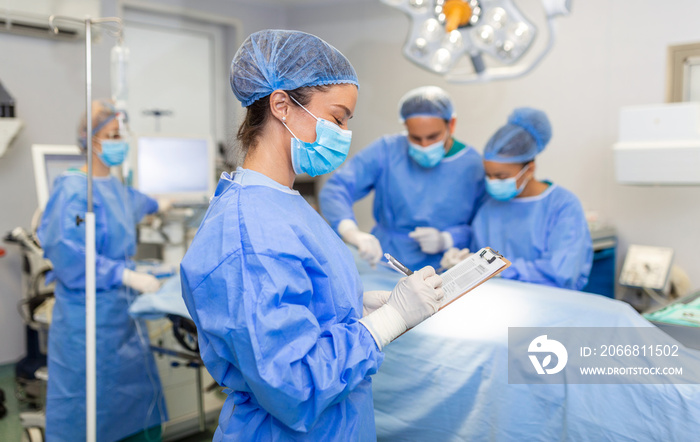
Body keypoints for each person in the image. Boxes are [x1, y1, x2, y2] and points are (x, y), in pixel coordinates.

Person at [179, 29, 444, 441]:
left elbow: (297, 306)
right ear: (281, 104)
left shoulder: (286, 203)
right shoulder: (247, 230)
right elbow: (291, 386)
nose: (342, 132)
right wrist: (386, 323)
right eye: (337, 118)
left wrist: (355, 309)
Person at [37, 100, 167, 441]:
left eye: (121, 134)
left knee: (133, 401)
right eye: (111, 135)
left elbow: (137, 203)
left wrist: (163, 204)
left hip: (122, 317)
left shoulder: (115, 189)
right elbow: (69, 253)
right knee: (88, 408)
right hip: (88, 321)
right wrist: (125, 275)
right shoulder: (73, 191)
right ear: (89, 139)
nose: (117, 142)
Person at [318, 86, 485, 272]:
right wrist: (351, 232)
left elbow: (484, 223)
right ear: (406, 127)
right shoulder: (387, 150)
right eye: (415, 138)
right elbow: (337, 188)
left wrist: (448, 239)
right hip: (386, 262)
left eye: (433, 137)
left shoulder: (473, 165)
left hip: (445, 268)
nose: (424, 145)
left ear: (451, 125)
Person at [466, 107, 592, 290]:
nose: (492, 182)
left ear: (530, 169)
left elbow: (561, 273)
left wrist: (501, 270)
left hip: (551, 306)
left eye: (501, 177)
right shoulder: (489, 208)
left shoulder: (563, 205)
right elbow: (476, 248)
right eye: (488, 175)